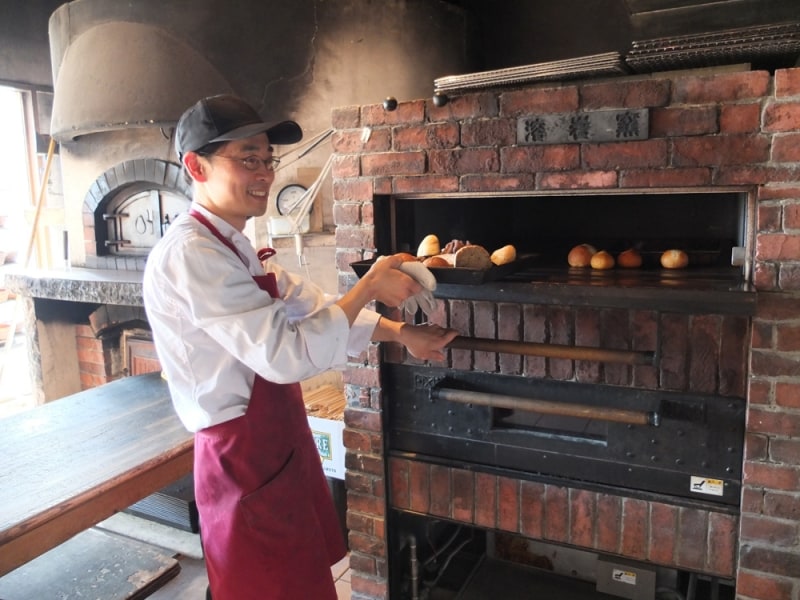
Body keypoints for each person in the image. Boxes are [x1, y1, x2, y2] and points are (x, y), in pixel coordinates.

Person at [142, 94, 457, 600]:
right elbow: (284, 355)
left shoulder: (236, 246)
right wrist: (368, 287)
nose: (264, 173)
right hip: (241, 461)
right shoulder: (191, 255)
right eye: (248, 159)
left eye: (268, 159)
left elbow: (314, 308)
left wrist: (402, 333)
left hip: (277, 448)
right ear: (196, 166)